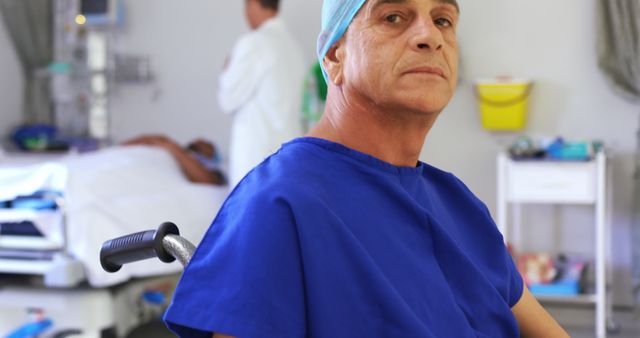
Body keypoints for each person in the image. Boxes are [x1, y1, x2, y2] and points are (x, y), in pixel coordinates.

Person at [164, 0, 570, 337]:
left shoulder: (458, 204)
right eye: (393, 17)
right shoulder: (279, 205)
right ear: (334, 55)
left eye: (443, 19)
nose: (430, 36)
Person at [218, 0, 305, 187]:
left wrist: (227, 69)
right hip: (287, 160)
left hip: (255, 160)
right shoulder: (294, 48)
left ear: (254, 4)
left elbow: (227, 99)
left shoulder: (254, 43)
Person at [124, 135, 226, 185]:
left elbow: (207, 181)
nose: (201, 140)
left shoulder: (212, 173)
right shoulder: (170, 146)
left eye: (208, 145)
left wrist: (169, 145)